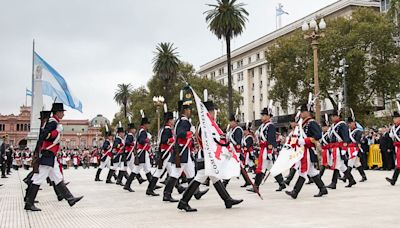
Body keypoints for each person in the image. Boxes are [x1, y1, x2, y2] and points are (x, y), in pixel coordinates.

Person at [177, 90, 242, 212]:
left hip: (208, 156)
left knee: (215, 178)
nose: (214, 114)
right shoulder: (205, 126)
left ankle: (227, 199)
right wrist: (223, 140)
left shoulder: (207, 125)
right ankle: (183, 201)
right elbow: (212, 141)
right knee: (200, 178)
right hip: (206, 157)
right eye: (212, 111)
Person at [25, 103, 83, 211]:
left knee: (58, 178)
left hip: (51, 155)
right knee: (38, 179)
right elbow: (44, 135)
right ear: (57, 112)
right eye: (62, 112)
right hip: (48, 155)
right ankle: (29, 203)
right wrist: (57, 132)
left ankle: (70, 198)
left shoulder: (54, 122)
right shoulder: (52, 122)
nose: (63, 114)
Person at [285, 101, 327, 199]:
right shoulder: (302, 124)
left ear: (308, 112)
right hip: (302, 151)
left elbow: (318, 135)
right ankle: (322, 188)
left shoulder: (311, 123)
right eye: (301, 112)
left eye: (303, 111)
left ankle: (295, 192)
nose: (302, 113)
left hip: (308, 151)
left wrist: (305, 140)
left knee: (303, 172)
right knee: (312, 172)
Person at [163, 90, 196, 203]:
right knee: (176, 174)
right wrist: (190, 133)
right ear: (185, 110)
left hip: (184, 151)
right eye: (189, 109)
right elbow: (181, 134)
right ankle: (167, 194)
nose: (190, 111)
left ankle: (196, 192)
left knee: (191, 173)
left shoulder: (179, 121)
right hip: (181, 152)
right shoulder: (184, 122)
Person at [248, 104, 286, 193]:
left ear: (268, 116)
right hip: (263, 149)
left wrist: (270, 151)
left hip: (266, 150)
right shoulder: (262, 126)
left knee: (260, 168)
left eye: (264, 115)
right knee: (271, 168)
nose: (262, 117)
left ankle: (256, 187)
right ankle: (282, 183)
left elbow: (271, 139)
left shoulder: (270, 126)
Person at [146, 105, 174, 196]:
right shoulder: (167, 129)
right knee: (159, 171)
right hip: (165, 152)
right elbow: (165, 141)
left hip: (166, 152)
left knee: (173, 172)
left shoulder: (164, 129)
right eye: (172, 119)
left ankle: (178, 187)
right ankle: (150, 189)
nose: (173, 121)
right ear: (169, 120)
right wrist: (173, 140)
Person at [326, 107, 356, 189]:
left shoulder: (342, 125)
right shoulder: (333, 125)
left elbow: (346, 137)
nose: (332, 118)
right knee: (342, 166)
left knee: (336, 165)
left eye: (333, 116)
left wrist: (344, 148)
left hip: (339, 148)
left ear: (337, 116)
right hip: (335, 147)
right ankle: (351, 180)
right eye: (332, 116)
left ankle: (333, 183)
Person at [347, 116, 367, 182]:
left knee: (350, 162)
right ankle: (363, 176)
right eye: (348, 123)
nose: (349, 124)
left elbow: (359, 141)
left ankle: (346, 176)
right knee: (357, 163)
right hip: (350, 148)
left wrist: (357, 148)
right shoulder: (349, 131)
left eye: (350, 123)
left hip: (355, 148)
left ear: (354, 123)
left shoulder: (358, 131)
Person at [386, 103, 400, 185]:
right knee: (398, 164)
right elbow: (391, 136)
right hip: (397, 146)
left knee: (399, 164)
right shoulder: (394, 127)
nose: (394, 120)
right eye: (394, 118)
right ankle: (393, 180)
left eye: (396, 118)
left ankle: (393, 180)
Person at [241, 121, 255, 187]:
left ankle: (259, 175)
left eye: (245, 131)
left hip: (249, 153)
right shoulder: (245, 137)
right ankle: (247, 181)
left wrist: (244, 148)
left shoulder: (249, 137)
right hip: (245, 153)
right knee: (251, 165)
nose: (244, 132)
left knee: (251, 165)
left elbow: (248, 145)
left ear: (247, 131)